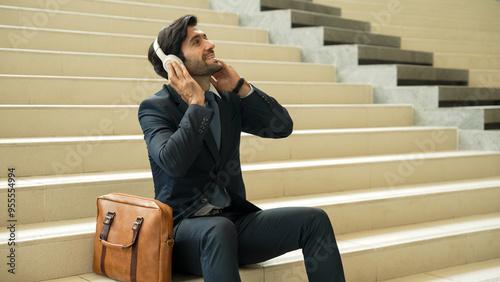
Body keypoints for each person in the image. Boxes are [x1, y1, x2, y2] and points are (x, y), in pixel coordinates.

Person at [138, 15, 345, 282]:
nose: (210, 44)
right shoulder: (155, 108)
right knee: (219, 229)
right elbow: (174, 162)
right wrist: (195, 105)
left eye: (206, 37)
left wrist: (241, 88)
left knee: (314, 220)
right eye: (197, 42)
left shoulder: (227, 100)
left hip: (235, 224)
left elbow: (281, 127)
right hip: (184, 234)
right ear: (174, 62)